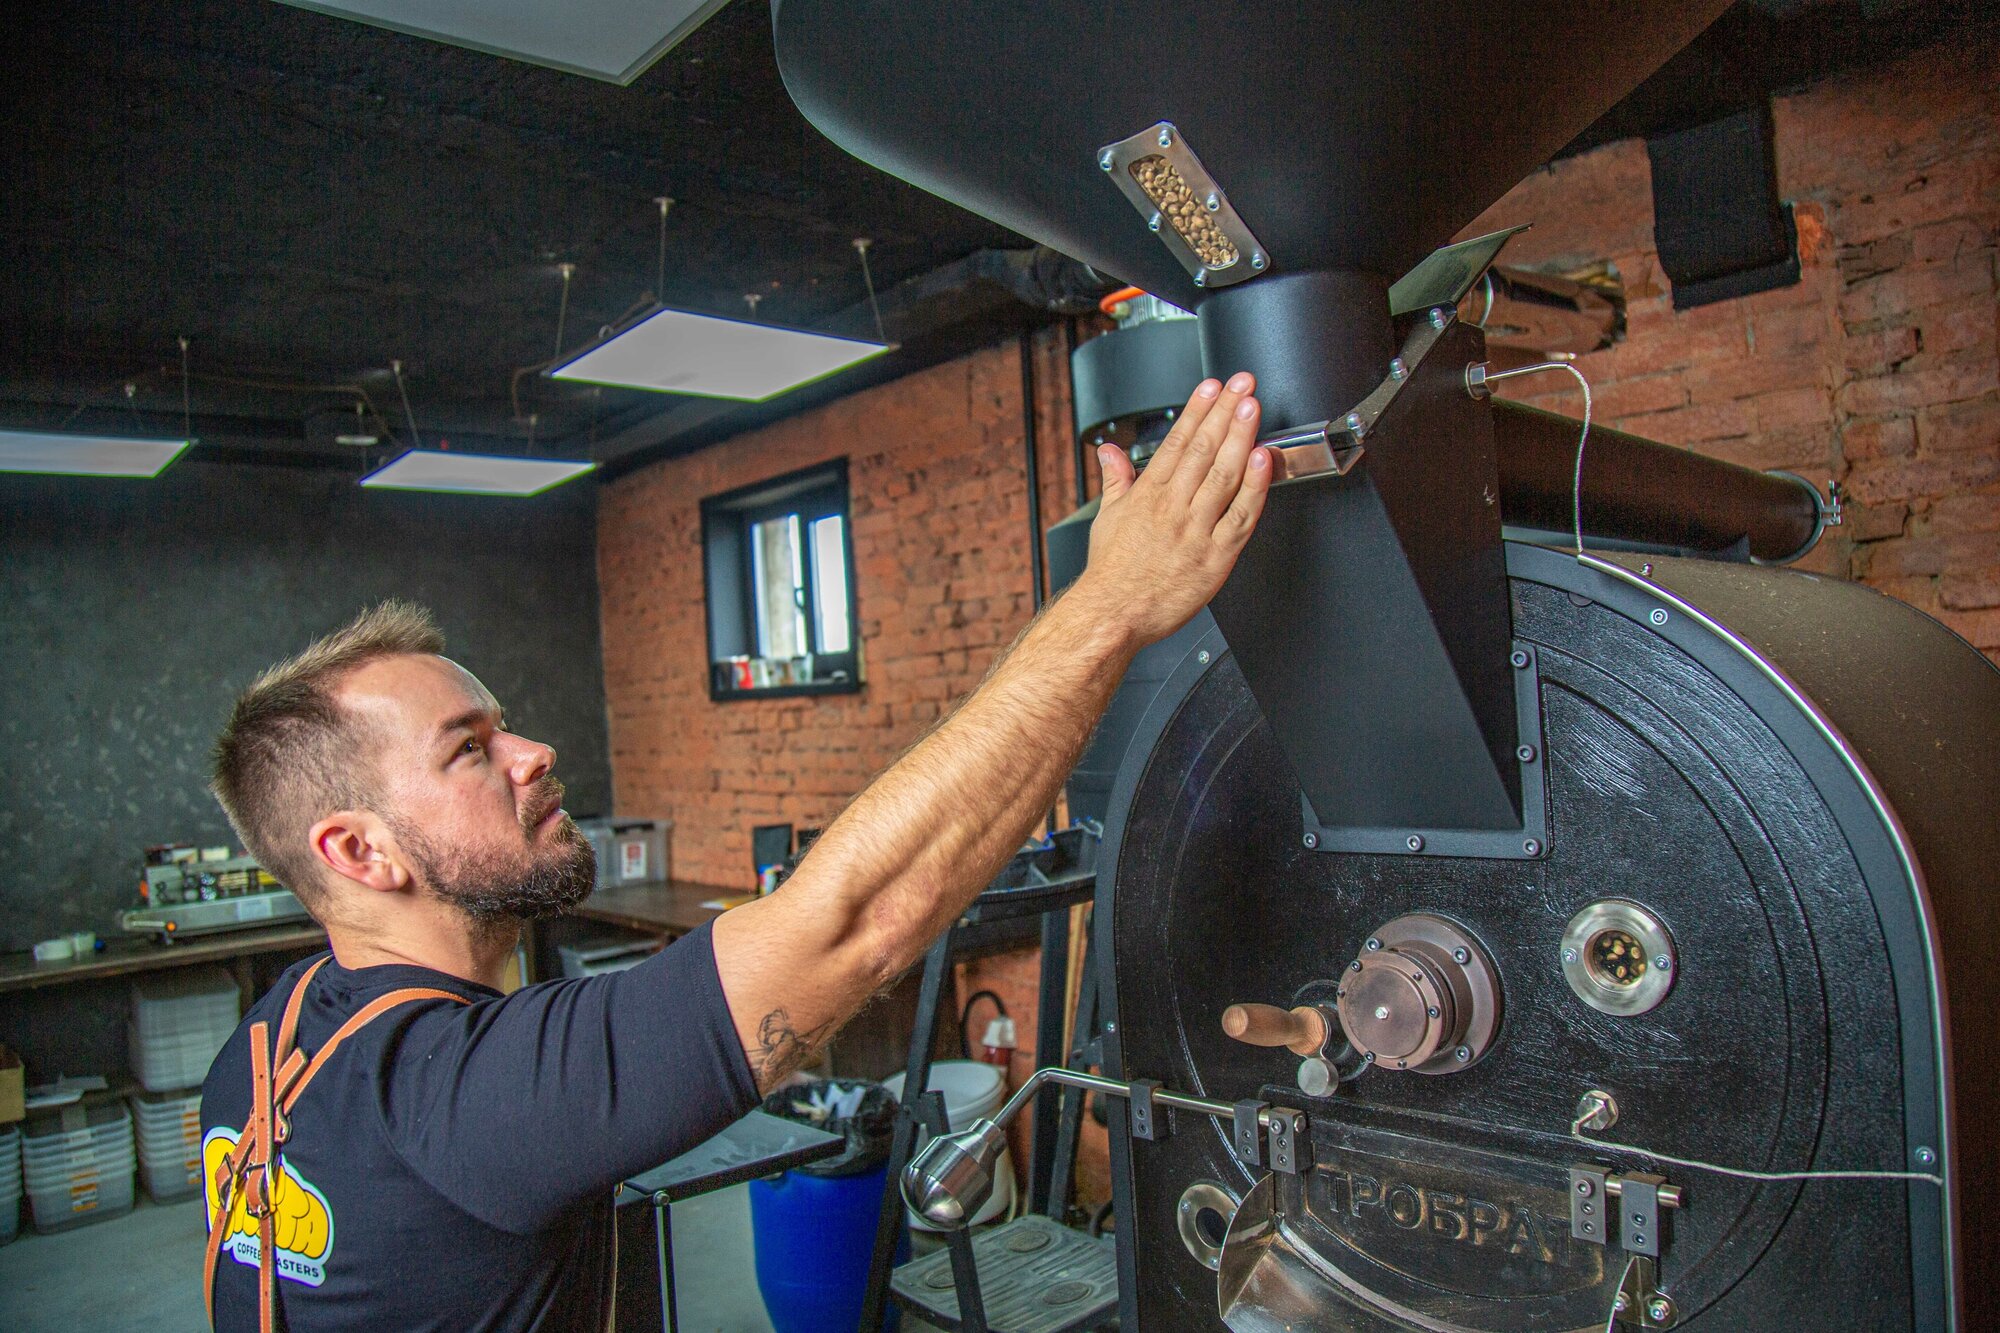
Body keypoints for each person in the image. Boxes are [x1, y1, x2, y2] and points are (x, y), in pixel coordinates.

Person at [200, 373, 1272, 1330]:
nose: (533, 752)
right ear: (359, 851)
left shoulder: (265, 1049)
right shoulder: (472, 1097)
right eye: (469, 750)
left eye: (504, 724)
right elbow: (858, 917)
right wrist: (1114, 602)